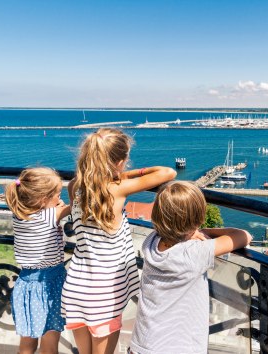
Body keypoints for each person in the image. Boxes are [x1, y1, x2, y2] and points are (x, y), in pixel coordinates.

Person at [61, 128, 176, 354]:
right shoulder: (118, 188)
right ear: (120, 162)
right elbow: (168, 172)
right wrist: (125, 174)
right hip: (105, 290)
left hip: (76, 285)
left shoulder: (75, 186)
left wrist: (112, 172)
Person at [130, 181, 252, 354]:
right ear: (197, 219)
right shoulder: (193, 252)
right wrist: (203, 232)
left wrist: (191, 230)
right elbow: (244, 236)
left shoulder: (152, 241)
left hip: (143, 343)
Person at [5, 167, 71, 354]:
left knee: (26, 346)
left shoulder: (19, 214)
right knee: (49, 346)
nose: (60, 199)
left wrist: (53, 206)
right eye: (58, 195)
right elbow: (76, 205)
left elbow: (46, 212)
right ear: (44, 199)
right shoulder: (50, 216)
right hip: (50, 285)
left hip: (26, 285)